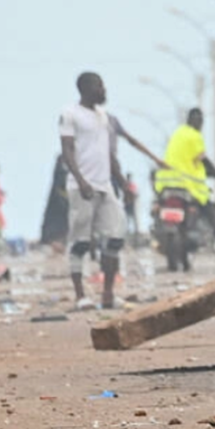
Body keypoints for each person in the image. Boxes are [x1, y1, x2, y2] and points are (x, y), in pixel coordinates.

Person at [59, 71, 128, 310]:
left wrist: (121, 181)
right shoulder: (70, 114)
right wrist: (81, 180)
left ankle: (108, 294)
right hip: (82, 187)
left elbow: (108, 152)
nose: (104, 91)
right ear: (86, 89)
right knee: (80, 242)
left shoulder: (103, 116)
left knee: (115, 237)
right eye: (100, 86)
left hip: (105, 185)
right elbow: (67, 150)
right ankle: (81, 296)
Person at [154, 108, 215, 267]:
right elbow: (204, 161)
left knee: (168, 220)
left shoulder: (178, 133)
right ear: (198, 122)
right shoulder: (195, 136)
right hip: (189, 188)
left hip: (166, 186)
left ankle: (176, 256)